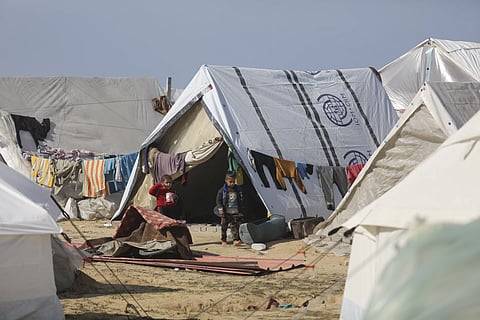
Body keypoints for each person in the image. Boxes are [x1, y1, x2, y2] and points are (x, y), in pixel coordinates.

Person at [214, 171, 245, 246]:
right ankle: (223, 239)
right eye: (230, 181)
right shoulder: (222, 191)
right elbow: (218, 201)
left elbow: (240, 200)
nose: (232, 183)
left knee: (234, 226)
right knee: (224, 226)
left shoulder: (238, 190)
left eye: (233, 181)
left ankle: (235, 239)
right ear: (226, 180)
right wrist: (220, 209)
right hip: (226, 212)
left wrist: (240, 210)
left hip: (235, 211)